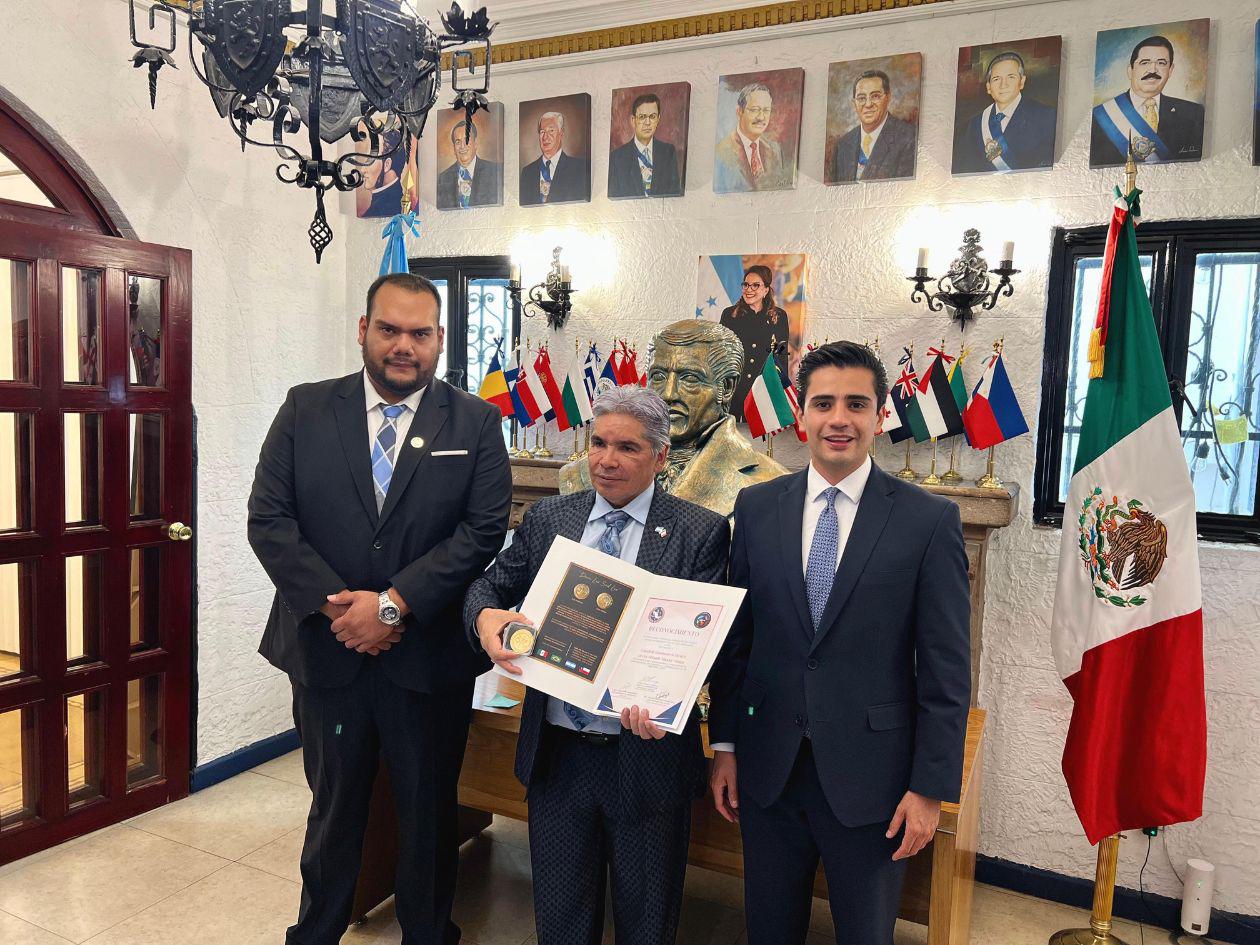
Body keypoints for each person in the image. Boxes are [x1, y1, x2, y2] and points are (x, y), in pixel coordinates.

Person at [248, 272, 512, 945]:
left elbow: (482, 530)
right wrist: (343, 611)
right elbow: (269, 519)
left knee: (428, 812)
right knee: (334, 809)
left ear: (440, 339)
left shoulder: (475, 421)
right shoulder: (305, 408)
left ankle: (428, 933)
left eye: (420, 333)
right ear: (364, 329)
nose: (404, 346)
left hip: (426, 660)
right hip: (327, 652)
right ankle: (316, 933)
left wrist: (392, 606)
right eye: (389, 329)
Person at [708, 341, 971, 945]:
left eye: (856, 404)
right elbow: (737, 641)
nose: (839, 419)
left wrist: (929, 789)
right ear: (800, 413)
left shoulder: (928, 520)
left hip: (874, 781)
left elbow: (946, 670)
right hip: (769, 772)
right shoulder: (756, 507)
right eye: (823, 403)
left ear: (880, 414)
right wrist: (725, 745)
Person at [464, 386, 730, 945]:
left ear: (660, 456)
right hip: (558, 757)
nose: (607, 460)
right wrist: (485, 618)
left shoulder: (700, 530)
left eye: (627, 448)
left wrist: (667, 694)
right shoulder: (549, 519)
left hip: (648, 758)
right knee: (561, 921)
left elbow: (709, 646)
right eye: (599, 443)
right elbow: (489, 586)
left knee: (647, 924)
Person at [559, 320, 786, 518]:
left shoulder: (770, 484)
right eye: (658, 376)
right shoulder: (578, 474)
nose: (668, 394)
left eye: (690, 379)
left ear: (726, 388)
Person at [1090, 35, 1204, 166]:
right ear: (1130, 70)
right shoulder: (1101, 116)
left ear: (1170, 70)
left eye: (1161, 63)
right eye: (1145, 62)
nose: (1153, 70)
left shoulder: (1193, 113)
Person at [953, 51, 1056, 173]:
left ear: (1022, 82)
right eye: (996, 79)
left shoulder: (1046, 117)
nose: (1003, 85)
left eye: (1011, 77)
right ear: (988, 87)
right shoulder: (972, 126)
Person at [719, 264, 790, 421]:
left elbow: (781, 355)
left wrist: (778, 389)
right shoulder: (729, 315)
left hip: (762, 389)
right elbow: (722, 354)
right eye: (746, 284)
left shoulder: (779, 317)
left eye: (755, 285)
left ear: (766, 290)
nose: (749, 289)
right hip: (735, 389)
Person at [829, 70, 917, 183]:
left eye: (875, 96)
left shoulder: (909, 138)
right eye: (861, 98)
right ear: (854, 103)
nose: (868, 104)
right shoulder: (842, 145)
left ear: (888, 97)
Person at [714, 82, 790, 192]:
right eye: (754, 110)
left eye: (766, 110)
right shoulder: (721, 152)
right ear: (739, 111)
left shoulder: (775, 150)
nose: (761, 117)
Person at [608, 92, 683, 198]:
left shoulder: (668, 152)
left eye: (652, 116)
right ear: (633, 120)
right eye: (642, 117)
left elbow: (674, 191)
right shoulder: (617, 157)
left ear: (658, 119)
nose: (647, 122)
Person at [520, 111, 591, 205]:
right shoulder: (527, 172)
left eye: (551, 131)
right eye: (542, 132)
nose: (545, 137)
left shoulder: (579, 168)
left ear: (561, 133)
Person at [436, 119, 502, 209]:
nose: (462, 146)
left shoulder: (495, 172)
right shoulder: (443, 178)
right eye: (458, 142)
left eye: (466, 140)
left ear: (475, 143)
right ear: (454, 148)